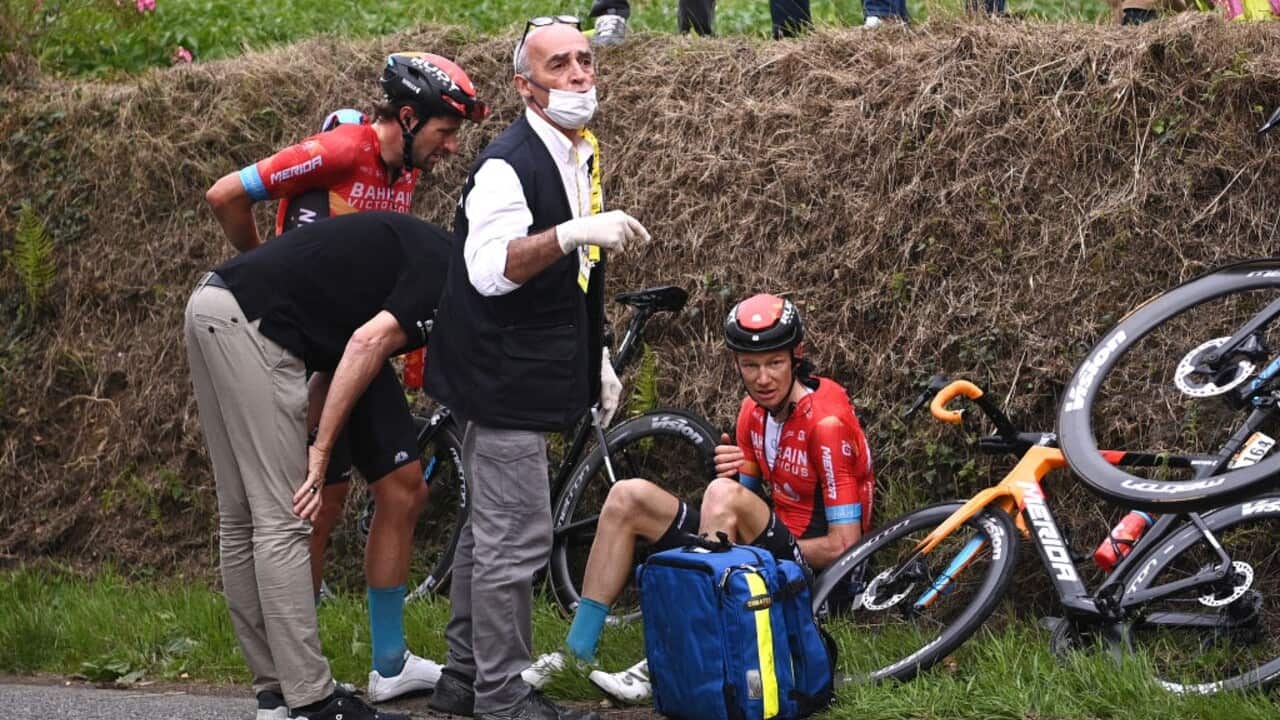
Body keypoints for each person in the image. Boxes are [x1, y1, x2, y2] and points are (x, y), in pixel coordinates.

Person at [204, 53, 488, 706]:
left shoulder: (403, 171)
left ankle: (388, 662)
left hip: (359, 349)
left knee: (405, 488)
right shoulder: (340, 149)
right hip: (304, 345)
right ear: (408, 117)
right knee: (317, 506)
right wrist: (265, 265)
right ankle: (296, 673)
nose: (451, 148)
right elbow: (225, 195)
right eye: (445, 132)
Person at [422, 17, 650, 720]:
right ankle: (502, 694)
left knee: (488, 528)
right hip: (499, 379)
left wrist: (596, 357)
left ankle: (464, 677)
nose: (580, 74)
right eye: (559, 65)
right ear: (525, 85)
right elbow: (492, 270)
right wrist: (574, 230)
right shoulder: (507, 164)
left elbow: (577, 278)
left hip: (524, 369)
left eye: (585, 60)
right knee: (515, 537)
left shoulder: (580, 151)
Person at [523, 294, 875, 705]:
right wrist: (734, 479)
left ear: (796, 358)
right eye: (750, 365)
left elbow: (844, 546)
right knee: (627, 496)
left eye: (775, 363)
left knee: (722, 496)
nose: (763, 378)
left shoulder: (826, 424)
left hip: (813, 581)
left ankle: (677, 659)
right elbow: (743, 503)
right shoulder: (753, 412)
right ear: (736, 363)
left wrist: (736, 519)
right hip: (762, 554)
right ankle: (576, 652)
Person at [184, 211, 455, 720]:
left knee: (242, 518)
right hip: (254, 325)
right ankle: (312, 700)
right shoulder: (447, 271)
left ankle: (276, 694)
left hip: (211, 304)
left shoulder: (419, 249)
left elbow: (337, 357)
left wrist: (312, 432)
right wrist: (321, 450)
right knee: (284, 519)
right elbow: (365, 345)